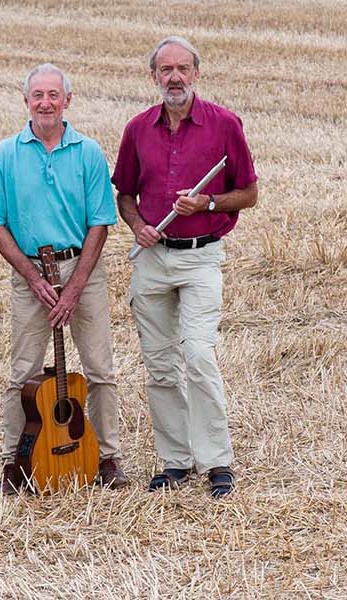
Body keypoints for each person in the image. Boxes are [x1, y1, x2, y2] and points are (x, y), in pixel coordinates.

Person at [114, 37, 258, 499]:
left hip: (201, 257)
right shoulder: (137, 128)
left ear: (196, 73)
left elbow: (249, 194)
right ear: (153, 76)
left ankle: (217, 461)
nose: (174, 77)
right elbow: (125, 195)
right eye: (165, 70)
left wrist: (208, 202)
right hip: (154, 260)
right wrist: (138, 226)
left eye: (182, 69)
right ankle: (176, 462)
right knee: (159, 367)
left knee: (197, 355)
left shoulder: (225, 125)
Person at [0, 64, 130, 494]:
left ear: (68, 100)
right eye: (37, 95)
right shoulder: (6, 154)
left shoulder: (88, 153)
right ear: (26, 100)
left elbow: (100, 222)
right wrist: (32, 278)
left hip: (82, 268)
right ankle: (14, 462)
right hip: (30, 273)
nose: (45, 102)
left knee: (100, 370)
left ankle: (107, 458)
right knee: (22, 373)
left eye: (53, 95)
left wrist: (77, 284)